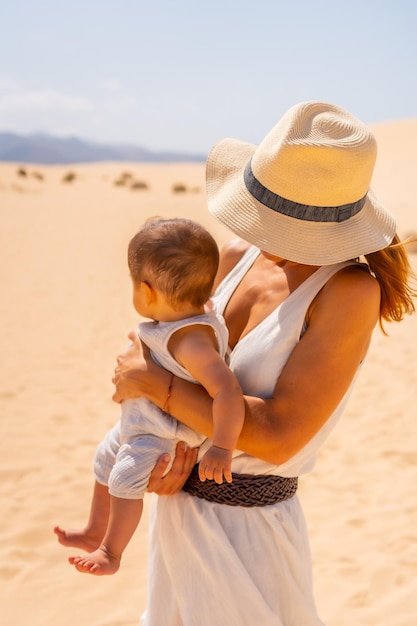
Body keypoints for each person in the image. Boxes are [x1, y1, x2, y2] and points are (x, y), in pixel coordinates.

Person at [112, 101, 416, 625]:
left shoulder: (348, 291)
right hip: (179, 518)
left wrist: (152, 384)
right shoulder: (233, 256)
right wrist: (162, 465)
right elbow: (174, 354)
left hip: (251, 535)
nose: (267, 234)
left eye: (286, 221)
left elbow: (279, 434)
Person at [54, 217, 245, 575]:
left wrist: (222, 446)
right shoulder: (191, 316)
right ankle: (96, 529)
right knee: (105, 459)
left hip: (164, 432)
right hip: (142, 419)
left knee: (126, 478)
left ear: (147, 291)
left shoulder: (190, 341)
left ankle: (111, 552)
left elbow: (229, 391)